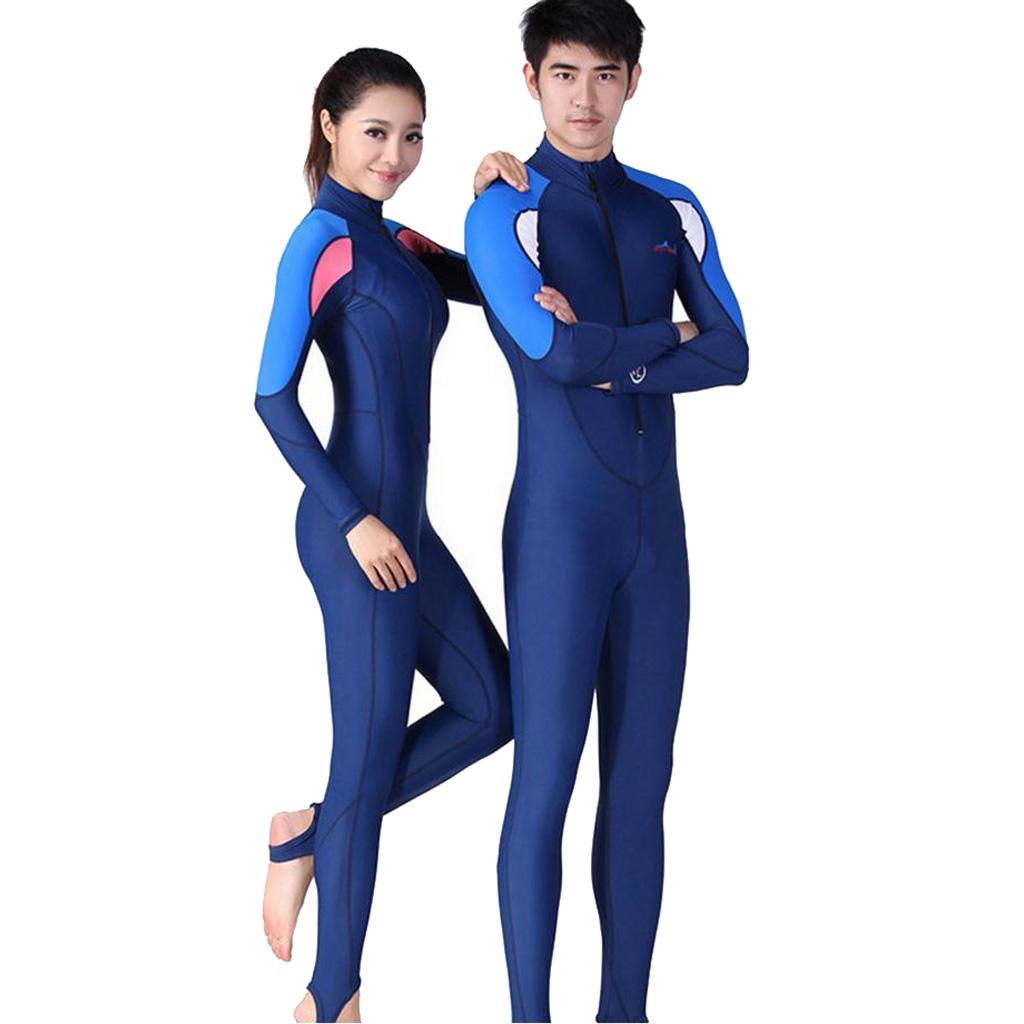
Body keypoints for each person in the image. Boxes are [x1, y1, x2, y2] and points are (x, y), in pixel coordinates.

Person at [464, 1, 749, 1020]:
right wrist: (667, 340)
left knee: (639, 788)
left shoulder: (672, 205)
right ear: (531, 80)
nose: (584, 98)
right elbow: (552, 352)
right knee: (544, 781)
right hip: (559, 533)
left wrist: (611, 349)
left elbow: (735, 354)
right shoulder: (503, 209)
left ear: (633, 79)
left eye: (604, 74)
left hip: (655, 539)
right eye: (564, 73)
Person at [254, 48, 529, 1023]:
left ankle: (309, 833)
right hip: (354, 528)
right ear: (329, 125)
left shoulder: (394, 237)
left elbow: (482, 279)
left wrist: (499, 193)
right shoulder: (319, 241)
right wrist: (356, 518)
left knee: (493, 707)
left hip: (406, 527)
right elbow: (272, 397)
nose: (395, 155)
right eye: (376, 132)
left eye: (412, 136)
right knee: (366, 753)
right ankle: (333, 997)